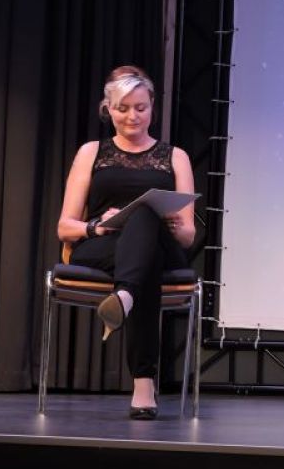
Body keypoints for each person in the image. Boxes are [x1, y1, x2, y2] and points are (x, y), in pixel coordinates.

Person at [57, 65, 197, 420]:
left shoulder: (176, 157)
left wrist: (173, 223)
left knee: (146, 214)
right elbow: (65, 227)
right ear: (108, 109)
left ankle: (123, 296)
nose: (132, 116)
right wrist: (97, 226)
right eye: (122, 108)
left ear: (152, 107)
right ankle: (144, 384)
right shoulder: (91, 152)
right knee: (143, 265)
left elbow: (188, 236)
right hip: (102, 245)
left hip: (161, 244)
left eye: (140, 107)